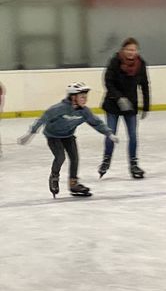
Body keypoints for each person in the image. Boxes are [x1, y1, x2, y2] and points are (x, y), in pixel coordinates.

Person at [17, 82, 118, 197]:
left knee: (75, 158)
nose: (85, 99)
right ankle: (54, 177)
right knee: (60, 157)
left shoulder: (84, 111)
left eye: (86, 97)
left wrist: (109, 134)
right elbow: (42, 119)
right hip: (53, 136)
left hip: (68, 136)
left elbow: (96, 123)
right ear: (73, 97)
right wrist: (30, 133)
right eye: (82, 97)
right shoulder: (59, 108)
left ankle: (73, 184)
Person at [99, 37, 150, 179]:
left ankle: (134, 164)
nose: (131, 52)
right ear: (123, 50)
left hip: (130, 107)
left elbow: (144, 85)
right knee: (111, 134)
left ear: (137, 51)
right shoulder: (115, 62)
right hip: (113, 105)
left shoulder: (141, 64)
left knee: (133, 136)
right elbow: (108, 81)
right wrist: (119, 97)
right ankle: (106, 160)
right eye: (128, 49)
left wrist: (146, 106)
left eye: (134, 50)